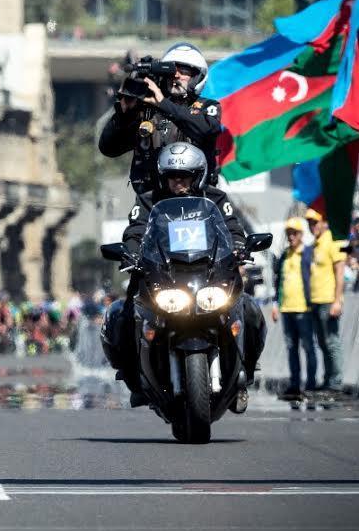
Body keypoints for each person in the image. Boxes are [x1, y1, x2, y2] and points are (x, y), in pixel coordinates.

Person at [103, 142, 265, 407]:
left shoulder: (216, 198)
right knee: (123, 316)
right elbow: (135, 231)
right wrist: (130, 253)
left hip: (209, 274)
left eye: (184, 175)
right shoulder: (148, 200)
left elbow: (233, 228)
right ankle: (135, 378)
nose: (178, 181)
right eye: (172, 176)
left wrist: (239, 247)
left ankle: (244, 375)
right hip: (162, 275)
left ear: (198, 175)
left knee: (249, 310)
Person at [98, 43, 221, 193]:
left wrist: (163, 103)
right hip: (152, 201)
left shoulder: (207, 107)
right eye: (172, 71)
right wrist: (125, 114)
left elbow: (206, 131)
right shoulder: (147, 110)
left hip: (197, 199)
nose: (176, 75)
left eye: (183, 71)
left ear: (197, 77)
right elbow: (109, 148)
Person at [270, 218, 318, 399]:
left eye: (294, 233)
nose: (291, 237)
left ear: (301, 235)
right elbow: (278, 282)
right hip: (287, 309)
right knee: (292, 349)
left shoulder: (308, 253)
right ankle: (295, 384)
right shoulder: (285, 255)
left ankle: (311, 384)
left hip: (304, 309)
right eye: (289, 233)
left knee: (309, 347)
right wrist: (276, 304)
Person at [304, 208, 347, 395]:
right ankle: (328, 378)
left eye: (315, 222)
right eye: (310, 223)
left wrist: (337, 301)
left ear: (323, 222)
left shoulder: (332, 241)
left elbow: (340, 272)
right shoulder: (315, 245)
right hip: (315, 301)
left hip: (328, 301)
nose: (312, 226)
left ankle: (336, 381)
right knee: (322, 342)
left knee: (331, 342)